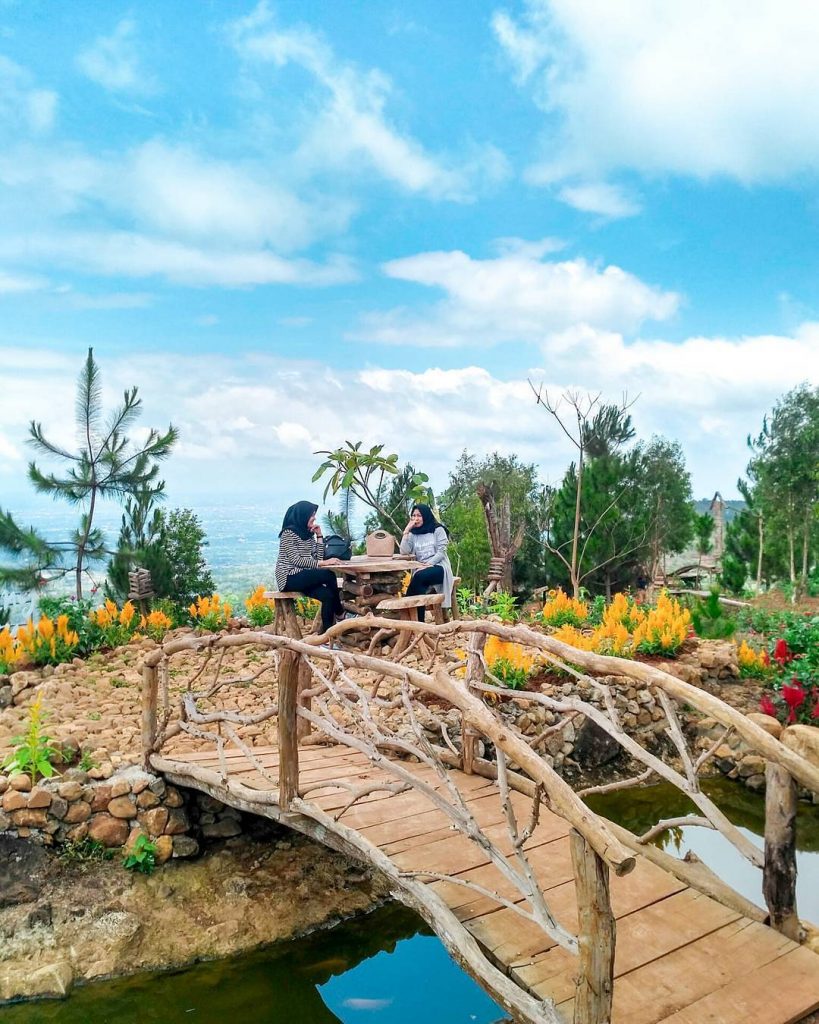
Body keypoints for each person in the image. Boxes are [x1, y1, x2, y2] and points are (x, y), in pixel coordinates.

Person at [275, 501, 343, 634]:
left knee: (328, 595)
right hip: (289, 577)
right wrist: (323, 564)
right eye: (312, 515)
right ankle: (340, 613)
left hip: (304, 576)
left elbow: (318, 558)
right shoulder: (288, 534)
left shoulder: (307, 534)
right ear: (303, 515)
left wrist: (319, 535)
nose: (314, 518)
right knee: (328, 575)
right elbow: (296, 560)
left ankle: (327, 636)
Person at [399, 503, 454, 621]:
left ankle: (407, 613)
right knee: (419, 582)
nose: (415, 519)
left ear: (426, 515)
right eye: (413, 516)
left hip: (439, 567)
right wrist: (406, 531)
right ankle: (418, 621)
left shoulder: (438, 530)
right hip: (421, 571)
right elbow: (404, 551)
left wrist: (427, 565)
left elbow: (441, 553)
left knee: (419, 576)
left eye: (419, 515)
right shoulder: (414, 533)